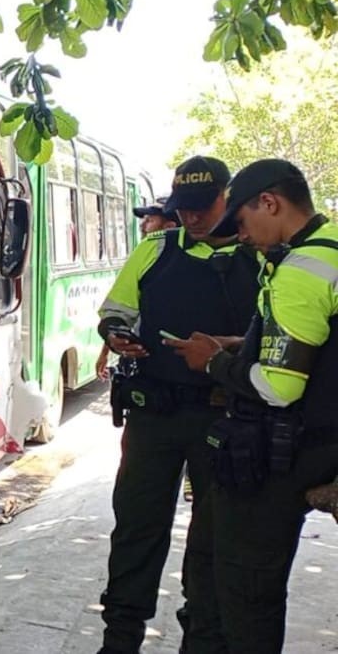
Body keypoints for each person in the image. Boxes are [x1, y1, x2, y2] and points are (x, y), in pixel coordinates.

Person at [167, 158, 338, 652]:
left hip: (285, 452)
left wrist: (212, 363)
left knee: (245, 597)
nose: (240, 236)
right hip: (320, 441)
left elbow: (279, 387)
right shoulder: (325, 251)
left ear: (271, 203)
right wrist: (241, 344)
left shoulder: (301, 271)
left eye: (240, 222)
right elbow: (311, 345)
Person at [94, 156, 261, 654]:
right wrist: (117, 335)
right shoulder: (156, 249)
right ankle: (120, 638)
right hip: (154, 416)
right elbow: (115, 311)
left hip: (227, 419)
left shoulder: (260, 257)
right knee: (136, 532)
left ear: (227, 198)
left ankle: (203, 638)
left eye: (201, 207)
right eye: (182, 208)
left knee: (214, 543)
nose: (190, 218)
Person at [95, 198, 180, 381]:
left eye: (150, 220)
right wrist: (110, 345)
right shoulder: (145, 253)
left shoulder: (155, 250)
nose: (142, 226)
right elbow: (121, 314)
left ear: (170, 227)